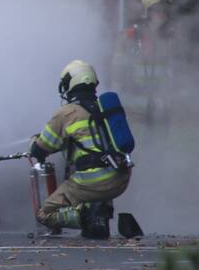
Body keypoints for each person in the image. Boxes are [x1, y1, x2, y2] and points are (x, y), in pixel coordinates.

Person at [29, 60, 131, 238]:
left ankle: (86, 216)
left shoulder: (66, 114)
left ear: (71, 83)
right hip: (120, 178)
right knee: (99, 166)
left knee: (44, 214)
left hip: (92, 182)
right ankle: (101, 212)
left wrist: (33, 143)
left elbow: (40, 149)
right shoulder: (104, 109)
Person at [110, 0, 175, 127]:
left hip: (158, 107)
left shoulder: (167, 39)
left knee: (158, 144)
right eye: (158, 10)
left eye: (165, 11)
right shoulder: (129, 37)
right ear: (147, 12)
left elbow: (168, 72)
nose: (163, 15)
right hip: (133, 105)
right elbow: (117, 74)